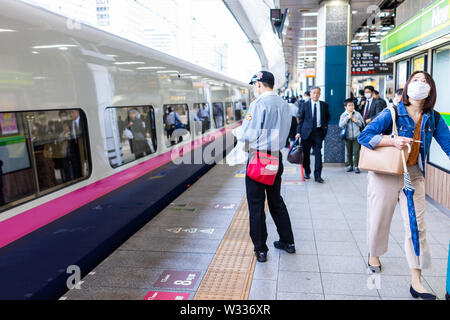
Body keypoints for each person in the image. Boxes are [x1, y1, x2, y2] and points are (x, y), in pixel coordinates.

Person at [358, 71, 450, 300]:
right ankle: (374, 254)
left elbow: (448, 145)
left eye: (425, 81)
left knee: (417, 227)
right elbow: (364, 135)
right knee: (379, 219)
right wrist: (392, 140)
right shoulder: (392, 112)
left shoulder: (434, 118)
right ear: (408, 86)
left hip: (414, 176)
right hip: (386, 174)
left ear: (431, 89)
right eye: (416, 80)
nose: (420, 84)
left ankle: (416, 281)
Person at [238, 70, 296, 263]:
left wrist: (239, 134)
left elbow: (248, 135)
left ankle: (261, 249)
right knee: (275, 201)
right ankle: (288, 242)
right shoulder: (284, 104)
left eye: (254, 85)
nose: (254, 89)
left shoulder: (258, 104)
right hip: (275, 158)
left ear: (259, 84)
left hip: (258, 158)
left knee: (256, 205)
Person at [295, 87, 331, 183]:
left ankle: (318, 176)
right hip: (306, 133)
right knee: (306, 155)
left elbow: (327, 117)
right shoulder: (304, 105)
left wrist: (325, 128)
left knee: (318, 154)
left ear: (319, 94)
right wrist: (298, 132)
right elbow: (301, 119)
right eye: (314, 93)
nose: (315, 95)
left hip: (318, 133)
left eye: (317, 93)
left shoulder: (324, 105)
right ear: (310, 94)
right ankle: (307, 171)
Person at [339, 99, 364, 174]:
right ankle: (350, 165)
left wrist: (355, 120)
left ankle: (356, 166)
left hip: (357, 135)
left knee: (356, 152)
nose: (351, 107)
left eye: (352, 105)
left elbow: (362, 124)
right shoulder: (343, 115)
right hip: (347, 136)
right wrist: (347, 118)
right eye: (349, 105)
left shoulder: (357, 114)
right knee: (349, 152)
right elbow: (341, 125)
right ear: (345, 107)